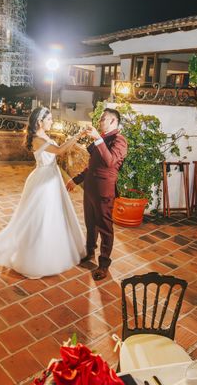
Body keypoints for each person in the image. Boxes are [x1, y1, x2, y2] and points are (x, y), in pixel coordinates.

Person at [0, 106, 87, 278]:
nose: (52, 121)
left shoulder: (43, 135)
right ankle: (36, 256)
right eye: (49, 119)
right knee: (41, 216)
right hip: (44, 180)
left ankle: (54, 249)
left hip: (52, 176)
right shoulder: (37, 139)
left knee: (55, 214)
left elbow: (56, 151)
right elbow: (59, 151)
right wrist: (77, 136)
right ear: (40, 121)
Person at [66, 108, 127, 281]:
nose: (100, 121)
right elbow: (91, 166)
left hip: (104, 191)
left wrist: (98, 139)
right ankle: (90, 252)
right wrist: (76, 180)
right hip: (91, 189)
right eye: (100, 119)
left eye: (104, 119)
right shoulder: (104, 138)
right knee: (90, 223)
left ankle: (104, 264)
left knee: (105, 227)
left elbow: (110, 162)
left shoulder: (119, 140)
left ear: (114, 122)